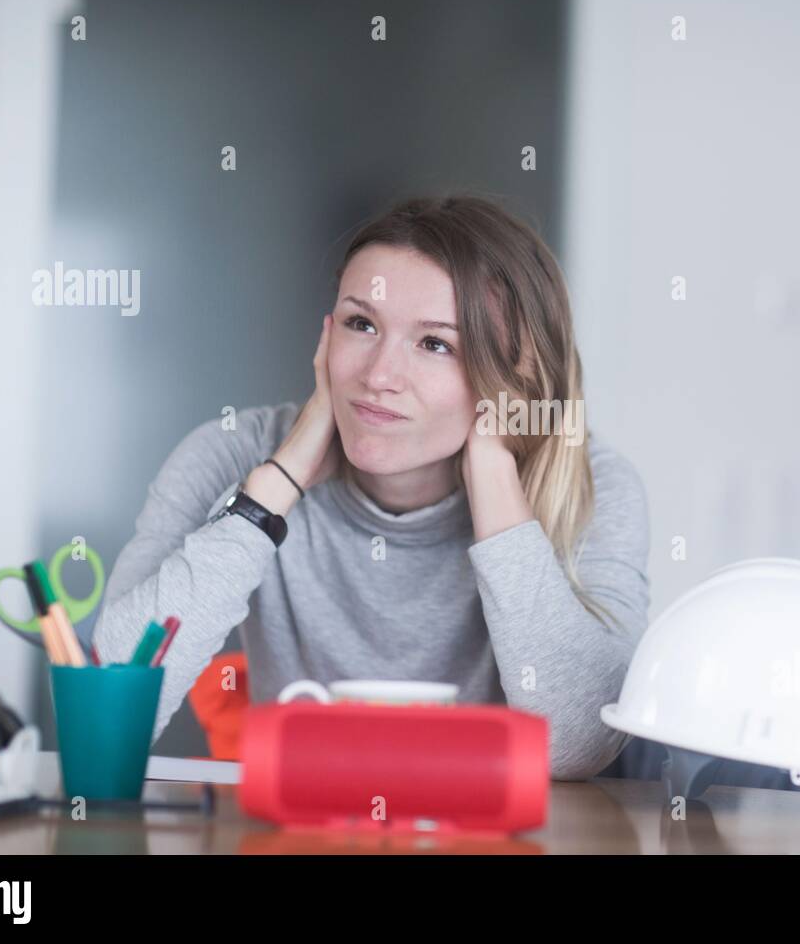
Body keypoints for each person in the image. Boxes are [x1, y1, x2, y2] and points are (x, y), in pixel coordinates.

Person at [93, 194, 651, 780]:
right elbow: (110, 712)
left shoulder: (593, 486)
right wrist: (273, 489)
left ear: (516, 377)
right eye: (362, 324)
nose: (377, 376)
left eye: (436, 343)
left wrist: (493, 474)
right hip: (303, 832)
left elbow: (579, 746)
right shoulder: (232, 452)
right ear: (326, 337)